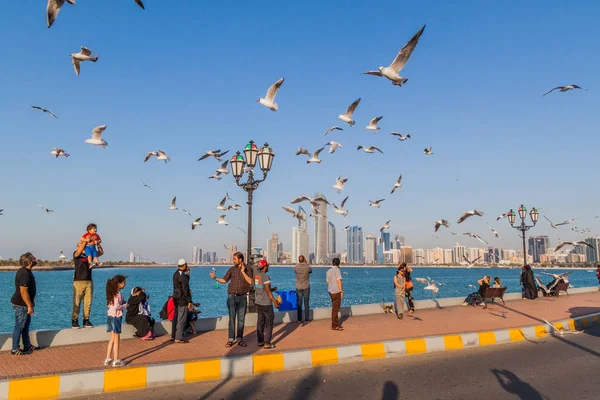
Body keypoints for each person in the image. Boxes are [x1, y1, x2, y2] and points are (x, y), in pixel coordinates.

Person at [210, 252, 253, 347]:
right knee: (232, 318)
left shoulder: (248, 269)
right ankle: (230, 339)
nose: (233, 261)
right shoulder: (232, 269)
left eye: (235, 259)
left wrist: (243, 272)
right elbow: (224, 280)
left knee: (241, 319)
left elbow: (250, 281)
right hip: (232, 296)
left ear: (240, 259)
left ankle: (240, 339)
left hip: (242, 297)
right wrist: (215, 278)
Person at [10, 252, 38, 355]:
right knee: (20, 325)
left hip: (24, 304)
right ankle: (15, 349)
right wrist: (29, 306)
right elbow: (23, 291)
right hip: (21, 304)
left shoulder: (26, 271)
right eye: (34, 258)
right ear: (30, 262)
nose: (36, 259)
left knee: (25, 325)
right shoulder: (25, 274)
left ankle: (27, 346)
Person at [72, 240, 99, 329]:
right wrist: (85, 240)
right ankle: (74, 320)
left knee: (88, 302)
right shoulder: (76, 254)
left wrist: (97, 244)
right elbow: (79, 251)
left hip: (89, 281)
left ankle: (86, 320)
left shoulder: (89, 254)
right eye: (81, 244)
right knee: (77, 302)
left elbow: (100, 253)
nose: (84, 245)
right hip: (78, 281)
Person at [254, 260, 281, 349]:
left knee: (260, 322)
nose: (268, 267)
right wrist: (275, 302)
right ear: (264, 267)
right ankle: (267, 343)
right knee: (269, 323)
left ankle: (259, 341)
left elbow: (261, 289)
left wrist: (272, 289)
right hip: (266, 303)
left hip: (258, 302)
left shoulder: (256, 276)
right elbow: (267, 291)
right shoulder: (266, 277)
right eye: (267, 266)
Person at [105, 275, 127, 367]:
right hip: (116, 317)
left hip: (110, 316)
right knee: (117, 339)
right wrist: (125, 305)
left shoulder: (111, 293)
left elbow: (110, 305)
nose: (125, 284)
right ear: (119, 284)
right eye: (123, 282)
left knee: (112, 338)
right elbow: (117, 306)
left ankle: (108, 358)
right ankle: (116, 360)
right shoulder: (118, 294)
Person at [171, 259, 193, 344]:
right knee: (182, 319)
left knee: (177, 317)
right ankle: (178, 337)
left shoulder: (175, 274)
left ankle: (174, 335)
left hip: (176, 298)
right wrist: (189, 301)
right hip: (182, 299)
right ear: (184, 265)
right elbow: (185, 289)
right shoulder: (183, 277)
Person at [326, 257, 344, 331]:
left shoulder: (328, 271)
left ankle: (335, 324)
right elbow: (339, 281)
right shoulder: (337, 270)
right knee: (335, 309)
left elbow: (327, 282)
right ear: (338, 264)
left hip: (330, 291)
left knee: (334, 307)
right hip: (336, 291)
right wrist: (341, 291)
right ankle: (335, 325)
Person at [294, 255, 312, 326]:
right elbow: (310, 271)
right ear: (304, 259)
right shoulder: (307, 267)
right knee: (306, 303)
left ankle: (299, 319)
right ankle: (307, 319)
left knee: (299, 303)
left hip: (298, 286)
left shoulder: (296, 267)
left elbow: (295, 271)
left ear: (299, 260)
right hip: (306, 286)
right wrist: (306, 263)